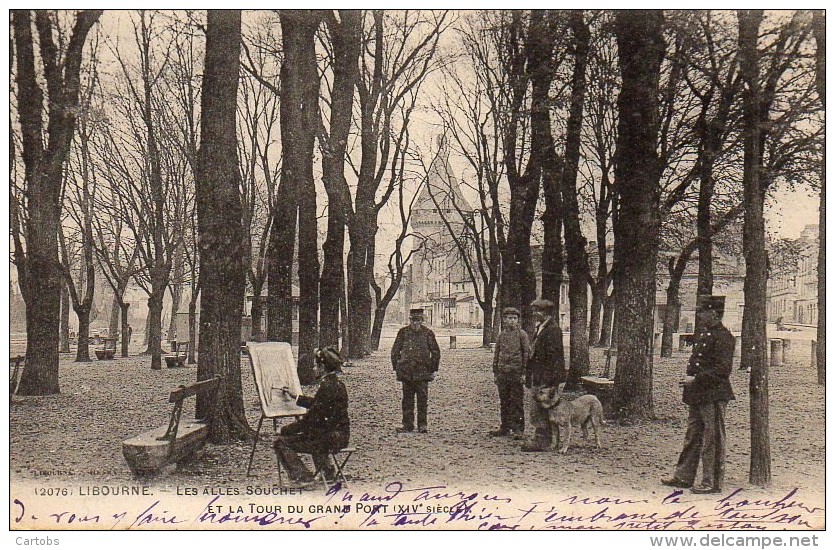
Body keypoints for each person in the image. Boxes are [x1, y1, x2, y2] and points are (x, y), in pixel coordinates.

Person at [662, 295, 735, 494]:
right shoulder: (706, 334)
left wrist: (696, 379)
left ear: (713, 313)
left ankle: (711, 482)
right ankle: (684, 476)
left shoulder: (724, 337)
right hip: (699, 394)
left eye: (703, 311)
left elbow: (722, 370)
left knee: (713, 439)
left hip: (713, 394)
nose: (700, 315)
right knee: (692, 435)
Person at [273, 346, 350, 485]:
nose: (314, 369)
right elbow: (319, 405)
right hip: (341, 436)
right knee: (316, 433)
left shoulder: (326, 387)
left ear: (322, 367)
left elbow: (310, 420)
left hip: (328, 439)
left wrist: (283, 430)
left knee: (281, 442)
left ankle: (302, 477)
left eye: (316, 366)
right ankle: (328, 472)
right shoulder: (338, 385)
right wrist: (297, 397)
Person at [521, 298, 567, 452]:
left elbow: (554, 357)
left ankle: (543, 440)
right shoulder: (540, 328)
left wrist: (549, 379)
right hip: (538, 375)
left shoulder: (553, 330)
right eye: (534, 310)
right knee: (536, 407)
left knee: (542, 408)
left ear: (545, 313)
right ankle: (544, 437)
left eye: (537, 311)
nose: (534, 314)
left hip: (545, 377)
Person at [391, 308, 441, 434]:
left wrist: (433, 369)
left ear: (422, 320)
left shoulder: (428, 333)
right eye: (413, 320)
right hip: (407, 372)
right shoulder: (403, 333)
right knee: (407, 400)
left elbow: (435, 352)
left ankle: (422, 425)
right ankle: (407, 425)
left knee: (422, 400)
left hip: (422, 372)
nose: (415, 323)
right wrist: (397, 367)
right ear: (410, 320)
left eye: (418, 320)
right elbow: (395, 351)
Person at [490, 307, 530, 438]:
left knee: (517, 401)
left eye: (515, 318)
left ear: (518, 320)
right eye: (509, 318)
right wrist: (495, 372)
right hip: (503, 373)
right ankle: (505, 427)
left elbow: (526, 353)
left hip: (516, 373)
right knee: (504, 401)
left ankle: (518, 429)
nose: (512, 321)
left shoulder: (522, 335)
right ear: (504, 320)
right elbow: (497, 353)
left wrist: (524, 372)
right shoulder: (501, 335)